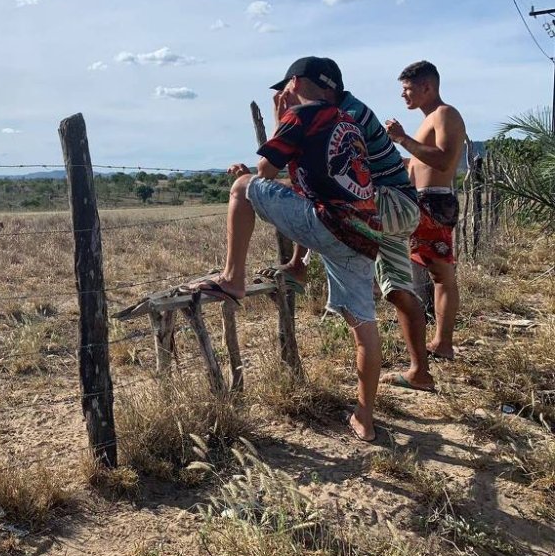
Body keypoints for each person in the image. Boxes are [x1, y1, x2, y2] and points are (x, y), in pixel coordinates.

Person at [190, 57, 383, 442]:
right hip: (364, 233)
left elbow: (264, 172)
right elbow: (315, 182)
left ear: (294, 83)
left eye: (285, 88)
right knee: (364, 327)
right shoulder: (347, 122)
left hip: (329, 226)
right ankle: (365, 417)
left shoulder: (303, 114)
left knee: (242, 186)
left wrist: (282, 120)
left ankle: (232, 278)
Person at [270, 58, 434, 392]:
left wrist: (282, 122)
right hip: (398, 206)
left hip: (386, 202)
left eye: (292, 92)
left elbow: (307, 175)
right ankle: (421, 372)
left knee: (318, 201)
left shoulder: (342, 117)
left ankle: (300, 267)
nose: (290, 100)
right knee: (399, 291)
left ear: (308, 85)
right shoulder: (346, 111)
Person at [384, 61, 466, 361]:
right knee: (436, 275)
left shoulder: (445, 114)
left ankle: (442, 344)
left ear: (427, 87)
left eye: (407, 89)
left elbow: (443, 161)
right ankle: (436, 341)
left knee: (442, 276)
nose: (403, 96)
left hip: (433, 203)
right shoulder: (429, 119)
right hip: (424, 203)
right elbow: (421, 163)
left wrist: (403, 139)